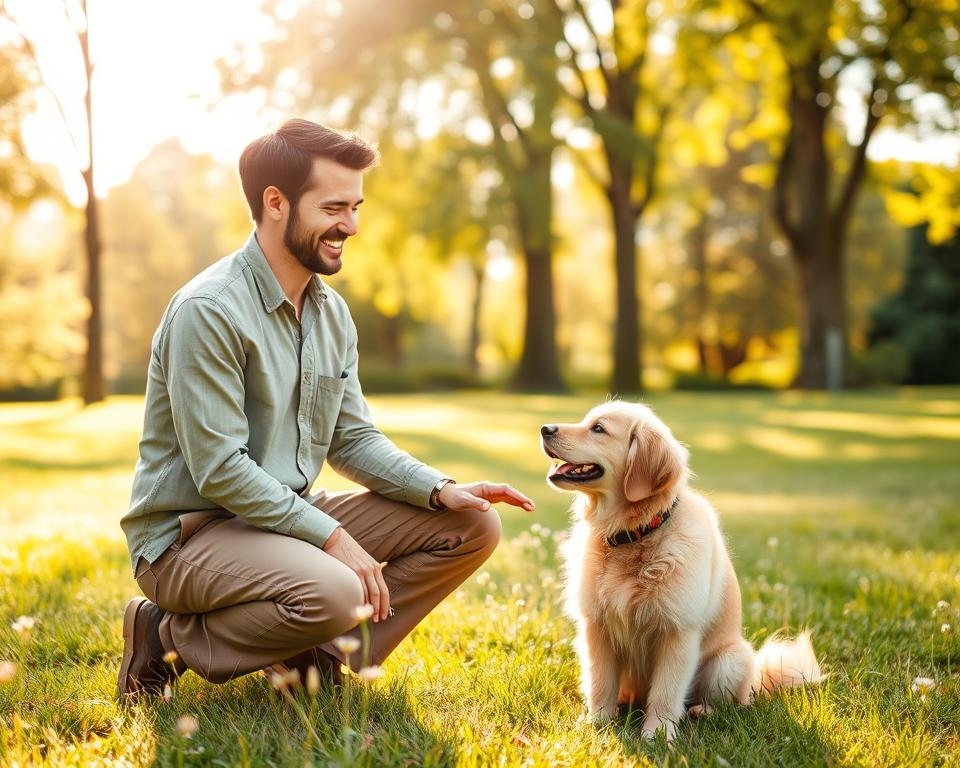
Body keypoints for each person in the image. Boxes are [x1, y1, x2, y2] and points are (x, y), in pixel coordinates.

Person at [117, 118, 534, 700]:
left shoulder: (331, 313)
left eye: (357, 206)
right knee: (340, 590)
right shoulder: (208, 310)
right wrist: (332, 537)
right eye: (335, 207)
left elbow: (352, 439)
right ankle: (165, 633)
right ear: (276, 203)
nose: (352, 225)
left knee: (471, 525)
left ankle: (314, 660)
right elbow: (219, 470)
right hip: (188, 537)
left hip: (280, 517)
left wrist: (439, 489)